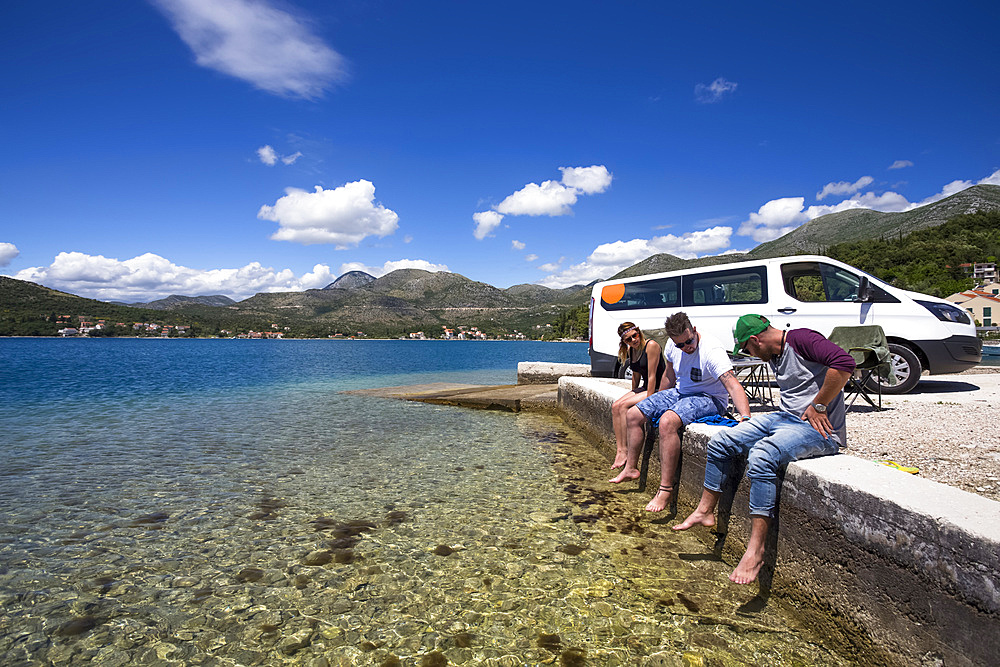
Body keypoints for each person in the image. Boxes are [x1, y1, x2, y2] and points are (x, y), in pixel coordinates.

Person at [673, 314, 855, 584]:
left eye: (748, 349)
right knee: (721, 441)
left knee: (762, 456)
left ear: (756, 340)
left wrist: (819, 405)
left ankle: (755, 550)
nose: (751, 354)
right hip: (783, 418)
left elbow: (844, 363)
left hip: (819, 431)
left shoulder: (802, 339)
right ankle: (705, 510)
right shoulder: (774, 355)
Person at [610, 312, 751, 513]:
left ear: (693, 330)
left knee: (667, 422)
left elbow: (733, 385)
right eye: (680, 345)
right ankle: (631, 468)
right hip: (680, 392)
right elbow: (669, 373)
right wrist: (656, 399)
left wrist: (745, 418)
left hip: (709, 398)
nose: (686, 347)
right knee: (633, 414)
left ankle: (665, 490)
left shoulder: (711, 350)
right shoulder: (672, 345)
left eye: (689, 342)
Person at [610, 322, 666, 469]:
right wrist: (633, 392)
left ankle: (626, 451)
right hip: (645, 386)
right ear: (624, 342)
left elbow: (653, 376)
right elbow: (636, 374)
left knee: (623, 406)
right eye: (628, 339)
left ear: (638, 332)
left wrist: (650, 399)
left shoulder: (651, 345)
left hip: (658, 388)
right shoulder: (631, 350)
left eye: (635, 335)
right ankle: (620, 450)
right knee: (616, 406)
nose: (634, 340)